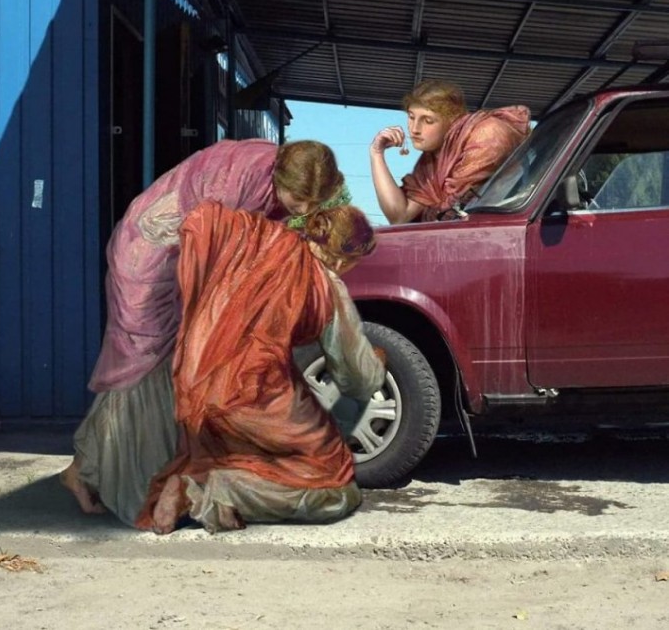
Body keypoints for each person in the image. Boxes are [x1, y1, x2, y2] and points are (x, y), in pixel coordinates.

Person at [60, 139, 344, 516]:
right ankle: (88, 470)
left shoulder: (284, 175)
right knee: (142, 368)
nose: (304, 209)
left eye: (313, 202)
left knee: (159, 370)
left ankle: (86, 468)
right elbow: (216, 254)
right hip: (150, 262)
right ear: (281, 177)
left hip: (181, 259)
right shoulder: (238, 181)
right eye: (299, 198)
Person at [124, 202, 384, 534]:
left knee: (254, 449)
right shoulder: (327, 284)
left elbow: (202, 221)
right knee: (334, 483)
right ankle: (202, 491)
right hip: (252, 395)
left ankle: (204, 483)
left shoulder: (262, 239)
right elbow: (356, 379)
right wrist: (376, 364)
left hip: (195, 386)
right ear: (342, 258)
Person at [369, 79, 531, 223]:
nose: (414, 129)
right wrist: (376, 153)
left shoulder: (488, 134)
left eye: (428, 120)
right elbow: (399, 216)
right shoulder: (432, 160)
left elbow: (454, 214)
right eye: (411, 117)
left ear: (452, 119)